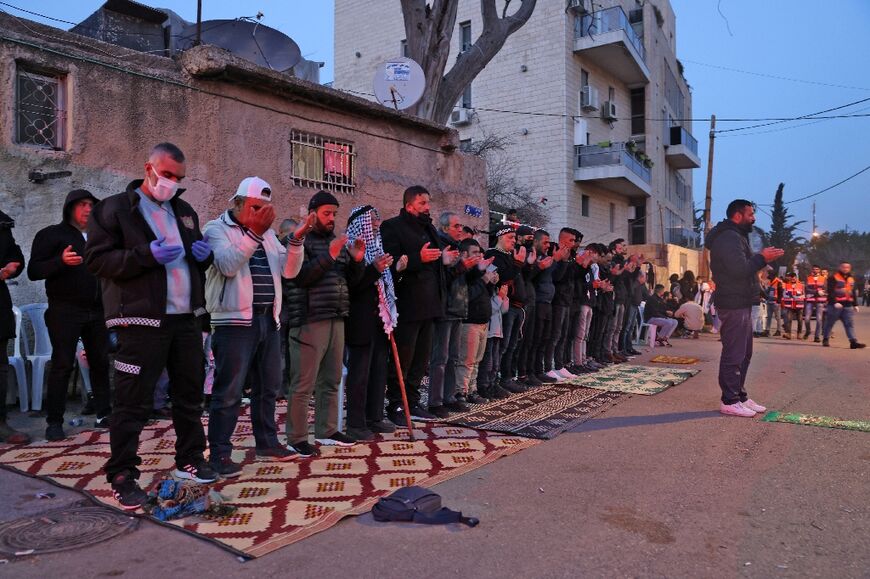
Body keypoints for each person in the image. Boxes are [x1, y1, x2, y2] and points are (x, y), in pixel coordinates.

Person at [85, 143, 217, 509]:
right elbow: (96, 260)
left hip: (186, 317)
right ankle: (123, 474)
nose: (172, 183)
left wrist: (202, 257)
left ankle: (191, 457)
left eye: (179, 177)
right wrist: (145, 255)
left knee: (190, 395)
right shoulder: (114, 209)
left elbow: (193, 256)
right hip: (140, 319)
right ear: (149, 168)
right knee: (132, 402)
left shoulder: (184, 210)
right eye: (168, 175)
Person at [203, 177, 308, 476]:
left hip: (268, 319)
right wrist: (254, 234)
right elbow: (226, 265)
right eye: (254, 207)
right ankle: (220, 454)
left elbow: (289, 271)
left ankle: (267, 443)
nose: (260, 214)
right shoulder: (216, 229)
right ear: (237, 204)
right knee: (229, 391)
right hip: (233, 322)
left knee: (269, 387)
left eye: (265, 208)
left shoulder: (269, 235)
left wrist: (297, 241)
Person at [284, 191, 367, 456]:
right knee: (303, 383)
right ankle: (296, 437)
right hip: (310, 319)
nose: (331, 219)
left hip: (336, 316)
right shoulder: (301, 241)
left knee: (331, 380)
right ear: (313, 214)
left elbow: (349, 283)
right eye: (326, 213)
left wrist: (357, 262)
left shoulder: (336, 242)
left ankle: (327, 430)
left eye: (334, 213)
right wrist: (329, 256)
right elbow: (300, 277)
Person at [28, 190, 112, 441]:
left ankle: (103, 414)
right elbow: (34, 271)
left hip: (97, 310)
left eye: (91, 205)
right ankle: (54, 422)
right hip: (65, 310)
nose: (88, 209)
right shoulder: (51, 235)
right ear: (69, 208)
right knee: (63, 364)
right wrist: (60, 261)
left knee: (100, 362)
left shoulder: (100, 236)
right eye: (82, 204)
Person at [380, 186, 456, 423]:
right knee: (403, 358)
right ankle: (396, 404)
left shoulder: (429, 228)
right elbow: (391, 265)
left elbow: (434, 262)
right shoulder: (392, 227)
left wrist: (445, 260)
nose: (427, 207)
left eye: (428, 203)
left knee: (420, 360)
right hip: (408, 304)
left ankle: (412, 401)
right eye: (423, 203)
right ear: (409, 204)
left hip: (431, 304)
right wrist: (417, 259)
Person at [705, 199, 783, 418]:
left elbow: (743, 268)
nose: (754, 218)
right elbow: (739, 270)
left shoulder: (736, 236)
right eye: (750, 214)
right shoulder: (728, 238)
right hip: (733, 302)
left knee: (744, 353)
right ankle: (729, 400)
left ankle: (739, 395)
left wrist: (760, 260)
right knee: (735, 353)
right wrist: (761, 258)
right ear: (738, 215)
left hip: (741, 302)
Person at [345, 205, 405, 440]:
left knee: (378, 371)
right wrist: (374, 269)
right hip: (360, 320)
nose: (376, 224)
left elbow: (386, 285)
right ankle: (356, 423)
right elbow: (353, 285)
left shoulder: (377, 248)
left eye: (377, 219)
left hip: (380, 320)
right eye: (371, 220)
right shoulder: (351, 249)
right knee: (359, 374)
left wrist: (396, 271)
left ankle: (375, 417)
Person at [428, 211, 470, 418]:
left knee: (454, 357)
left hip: (457, 308)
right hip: (445, 309)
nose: (460, 229)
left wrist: (472, 268)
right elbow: (442, 278)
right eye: (456, 226)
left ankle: (449, 397)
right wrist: (460, 266)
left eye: (461, 226)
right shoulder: (439, 245)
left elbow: (461, 279)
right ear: (445, 228)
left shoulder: (457, 247)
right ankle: (435, 401)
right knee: (441, 358)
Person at [483, 225, 526, 395]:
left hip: (513, 305)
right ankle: (490, 383)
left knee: (509, 344)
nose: (514, 241)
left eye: (515, 238)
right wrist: (517, 264)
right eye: (510, 238)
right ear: (500, 237)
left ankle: (500, 379)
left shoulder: (509, 256)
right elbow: (503, 276)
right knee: (499, 347)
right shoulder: (493, 255)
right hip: (498, 305)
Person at [455, 238, 497, 404]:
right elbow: (467, 296)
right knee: (466, 360)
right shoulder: (463, 272)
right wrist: (484, 281)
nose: (479, 256)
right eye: (475, 253)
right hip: (469, 321)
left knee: (477, 360)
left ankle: (472, 390)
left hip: (483, 321)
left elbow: (484, 295)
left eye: (480, 253)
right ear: (464, 254)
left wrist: (490, 283)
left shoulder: (478, 271)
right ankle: (461, 392)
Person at [0, 209, 28, 444]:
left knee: (0, 366)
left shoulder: (1, 223)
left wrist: (13, 266)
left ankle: (0, 423)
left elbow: (15, 255)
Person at [822, 261, 865, 349]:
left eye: (847, 267)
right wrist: (834, 302)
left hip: (847, 305)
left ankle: (853, 342)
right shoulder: (833, 278)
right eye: (843, 267)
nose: (845, 269)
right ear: (839, 267)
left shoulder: (851, 278)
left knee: (849, 324)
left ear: (850, 268)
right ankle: (825, 339)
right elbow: (830, 291)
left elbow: (852, 292)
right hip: (835, 306)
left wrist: (855, 304)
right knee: (829, 323)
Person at [802, 265, 827, 342]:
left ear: (819, 270)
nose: (815, 270)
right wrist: (816, 292)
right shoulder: (808, 278)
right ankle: (808, 331)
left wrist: (820, 293)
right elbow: (806, 289)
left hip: (820, 301)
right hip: (810, 300)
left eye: (817, 269)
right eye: (814, 269)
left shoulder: (823, 279)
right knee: (806, 319)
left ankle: (817, 336)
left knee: (819, 319)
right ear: (812, 270)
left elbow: (825, 289)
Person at [779, 271, 805, 340]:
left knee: (800, 320)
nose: (793, 278)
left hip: (799, 305)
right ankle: (788, 334)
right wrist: (790, 296)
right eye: (791, 277)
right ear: (790, 278)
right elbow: (784, 295)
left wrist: (798, 297)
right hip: (790, 305)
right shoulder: (786, 285)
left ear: (796, 278)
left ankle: (799, 334)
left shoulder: (801, 285)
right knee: (789, 320)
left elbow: (804, 295)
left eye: (794, 277)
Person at [762, 269, 783, 337]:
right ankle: (767, 330)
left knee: (778, 317)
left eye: (769, 274)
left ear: (772, 275)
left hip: (775, 302)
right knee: (769, 317)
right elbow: (767, 291)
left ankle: (779, 330)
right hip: (769, 301)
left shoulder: (778, 282)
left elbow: (781, 292)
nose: (767, 275)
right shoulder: (770, 281)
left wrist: (779, 301)